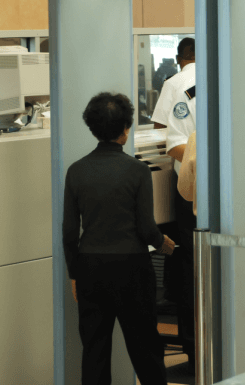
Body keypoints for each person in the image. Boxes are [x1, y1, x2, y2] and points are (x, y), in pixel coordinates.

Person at [63, 92, 176, 385]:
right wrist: (165, 244)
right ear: (125, 128)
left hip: (90, 269)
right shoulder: (137, 171)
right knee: (145, 348)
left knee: (95, 349)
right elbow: (146, 228)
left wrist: (75, 275)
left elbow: (68, 231)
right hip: (132, 269)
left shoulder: (76, 171)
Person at [162, 38, 197, 370]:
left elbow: (172, 143)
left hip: (198, 189)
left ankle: (194, 344)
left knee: (189, 265)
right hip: (205, 188)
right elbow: (175, 141)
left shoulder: (176, 84)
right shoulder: (186, 88)